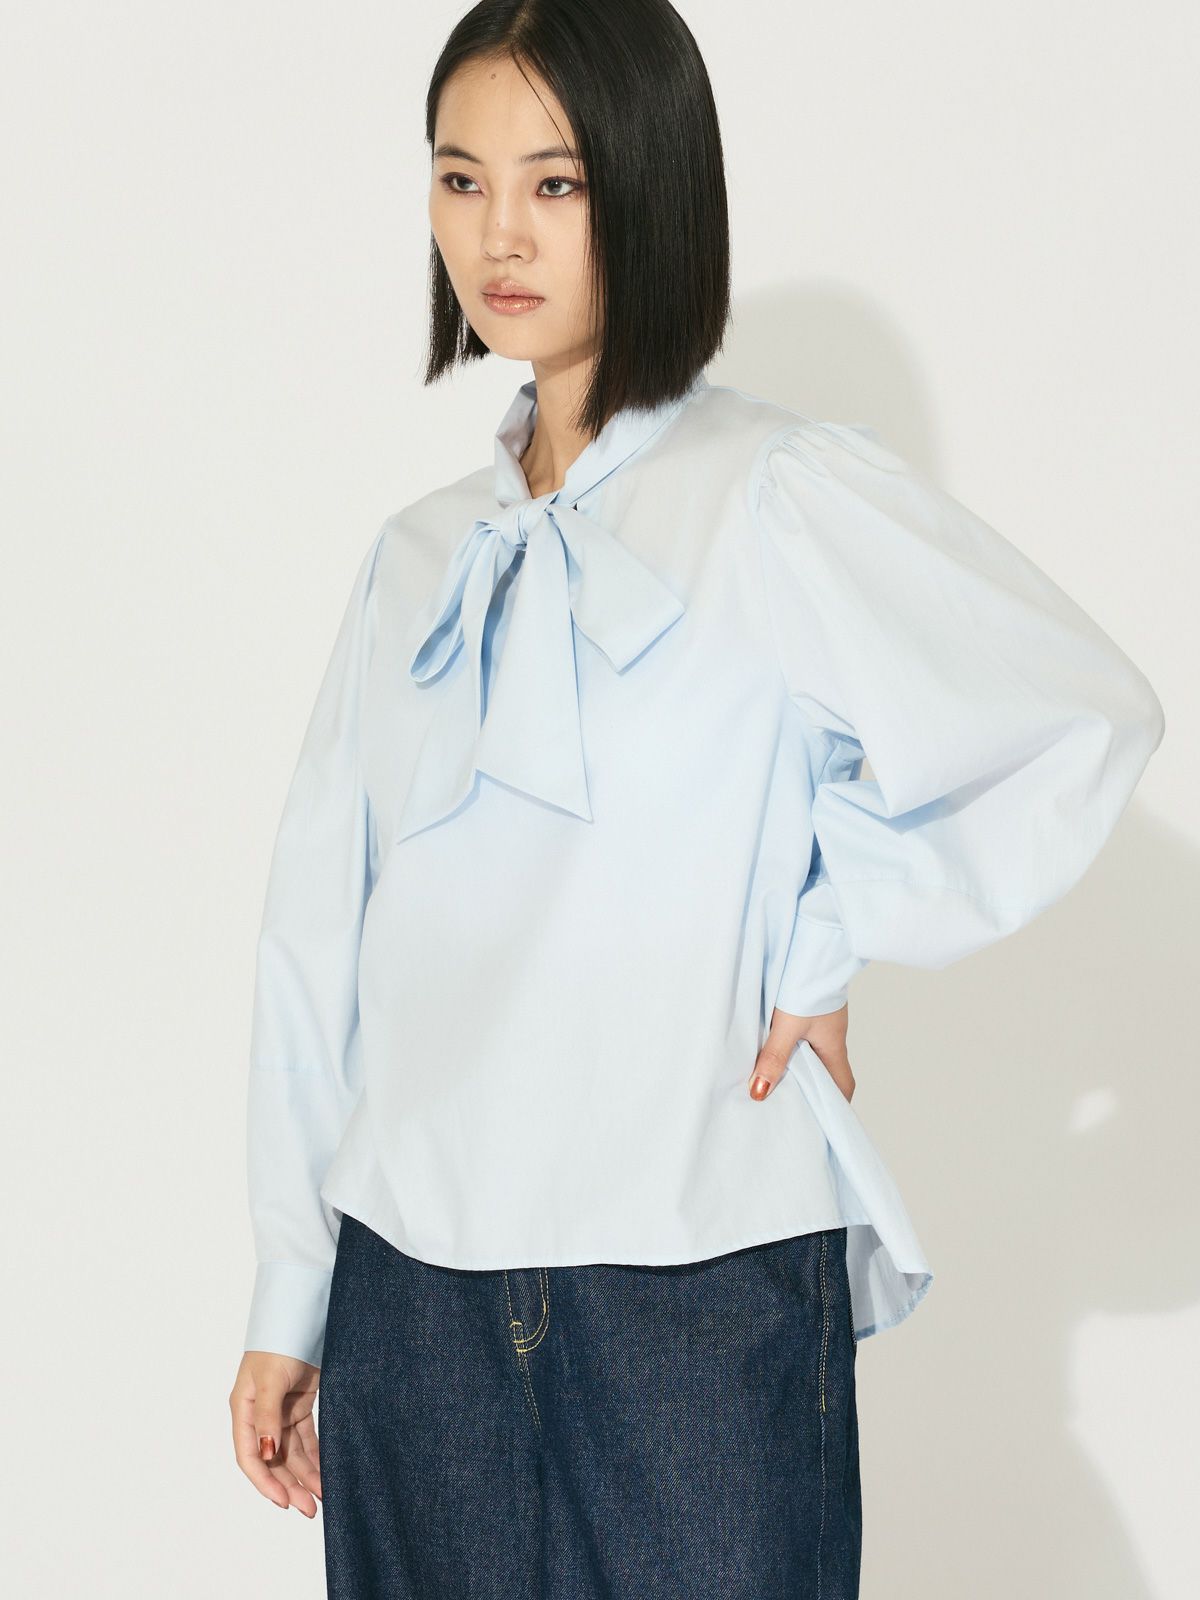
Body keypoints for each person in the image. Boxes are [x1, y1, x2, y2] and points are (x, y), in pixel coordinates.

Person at [227, 2, 1166, 1595]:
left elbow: (1079, 718)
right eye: (461, 180)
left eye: (557, 183)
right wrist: (291, 1292)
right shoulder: (416, 559)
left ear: (652, 189)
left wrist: (828, 935)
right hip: (414, 1305)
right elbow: (318, 942)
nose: (499, 233)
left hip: (693, 1288)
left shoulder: (776, 494)